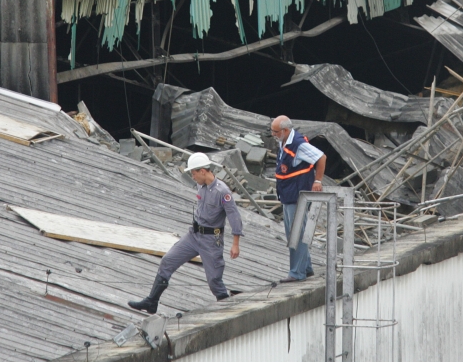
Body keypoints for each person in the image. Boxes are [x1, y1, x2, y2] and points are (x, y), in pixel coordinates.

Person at [128, 152, 243, 314]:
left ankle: (227, 309)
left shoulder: (222, 192)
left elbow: (234, 216)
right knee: (168, 261)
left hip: (211, 240)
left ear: (203, 171)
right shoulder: (200, 186)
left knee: (214, 280)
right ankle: (152, 302)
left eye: (194, 173)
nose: (192, 176)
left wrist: (235, 243)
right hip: (193, 235)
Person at [270, 115, 326, 283]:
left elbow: (321, 157)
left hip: (297, 194)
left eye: (275, 131)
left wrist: (318, 180)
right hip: (288, 193)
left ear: (285, 130)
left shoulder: (299, 145)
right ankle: (306, 268)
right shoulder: (284, 140)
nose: (273, 134)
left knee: (296, 234)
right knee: (293, 232)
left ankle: (296, 273)